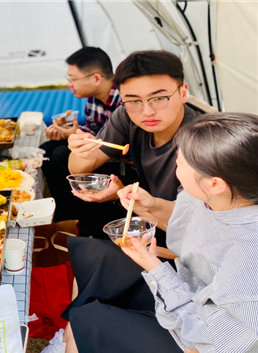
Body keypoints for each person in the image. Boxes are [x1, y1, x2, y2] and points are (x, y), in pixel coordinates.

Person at [51, 113, 258, 353]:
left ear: (214, 183)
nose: (176, 163)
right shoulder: (223, 197)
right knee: (94, 257)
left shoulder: (248, 256)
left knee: (89, 322)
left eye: (180, 161)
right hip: (192, 293)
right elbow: (189, 224)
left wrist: (155, 268)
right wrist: (145, 203)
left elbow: (221, 348)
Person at [66, 50, 204, 238]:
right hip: (156, 215)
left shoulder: (204, 139)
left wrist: (123, 194)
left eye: (159, 98)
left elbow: (193, 223)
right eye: (133, 100)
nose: (147, 111)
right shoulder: (126, 115)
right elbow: (77, 171)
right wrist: (83, 154)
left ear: (183, 92)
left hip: (192, 233)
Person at [40, 47, 123, 223]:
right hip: (100, 147)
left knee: (61, 155)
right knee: (46, 149)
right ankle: (63, 210)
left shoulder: (123, 101)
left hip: (119, 158)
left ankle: (79, 216)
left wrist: (77, 137)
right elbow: (95, 130)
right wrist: (72, 134)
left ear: (96, 78)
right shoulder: (94, 98)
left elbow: (115, 143)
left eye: (73, 79)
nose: (70, 84)